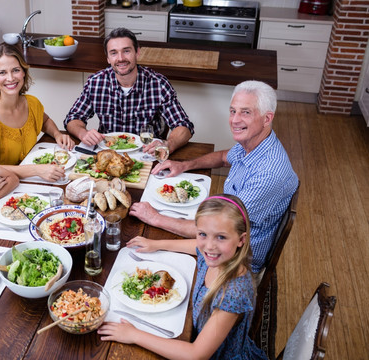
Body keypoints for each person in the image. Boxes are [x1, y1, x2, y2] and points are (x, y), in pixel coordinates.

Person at [130, 80, 298, 273]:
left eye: (246, 112)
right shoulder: (255, 144)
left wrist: (155, 219)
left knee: (147, 263)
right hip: (223, 226)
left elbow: (216, 231)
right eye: (233, 111)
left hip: (236, 258)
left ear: (267, 118)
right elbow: (223, 157)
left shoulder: (267, 174)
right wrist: (185, 165)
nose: (234, 120)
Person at [99, 195, 268, 360]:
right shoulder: (212, 255)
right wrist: (156, 244)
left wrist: (134, 335)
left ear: (241, 240)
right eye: (203, 234)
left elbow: (196, 354)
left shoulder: (232, 293)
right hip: (195, 332)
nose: (209, 246)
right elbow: (196, 246)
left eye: (221, 237)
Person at [64, 27, 194, 155]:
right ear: (108, 58)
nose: (120, 58)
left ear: (137, 52)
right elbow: (73, 118)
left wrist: (168, 145)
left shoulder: (158, 84)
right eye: (114, 53)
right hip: (107, 153)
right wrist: (83, 133)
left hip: (147, 154)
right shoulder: (96, 82)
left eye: (126, 51)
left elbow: (183, 126)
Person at [0, 43, 75, 183]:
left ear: (23, 72)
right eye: (2, 72)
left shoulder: (31, 103)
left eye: (15, 70)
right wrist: (36, 169)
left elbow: (45, 121)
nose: (10, 78)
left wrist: (57, 134)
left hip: (30, 182)